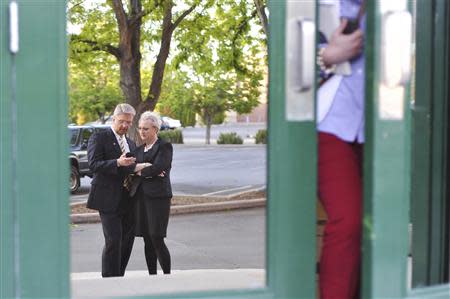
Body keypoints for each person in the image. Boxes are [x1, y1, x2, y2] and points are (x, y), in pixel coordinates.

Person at [317, 0, 365, 298]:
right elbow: (286, 51)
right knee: (348, 219)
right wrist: (326, 56)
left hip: (379, 125)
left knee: (377, 225)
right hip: (327, 124)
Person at [86, 103, 137, 277]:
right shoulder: (99, 138)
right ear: (114, 118)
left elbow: (130, 168)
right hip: (107, 198)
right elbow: (93, 165)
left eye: (129, 122)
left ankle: (119, 277)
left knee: (127, 241)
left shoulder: (130, 142)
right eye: (122, 121)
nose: (125, 125)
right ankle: (109, 281)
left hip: (129, 198)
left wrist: (142, 167)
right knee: (114, 240)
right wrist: (117, 162)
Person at [130, 112, 173, 275]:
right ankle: (152, 276)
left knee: (156, 236)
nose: (142, 132)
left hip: (158, 199)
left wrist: (142, 169)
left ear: (155, 129)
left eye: (146, 129)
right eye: (140, 128)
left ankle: (167, 275)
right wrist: (145, 167)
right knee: (147, 239)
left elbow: (159, 167)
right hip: (140, 199)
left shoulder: (164, 146)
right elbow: (131, 168)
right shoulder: (138, 149)